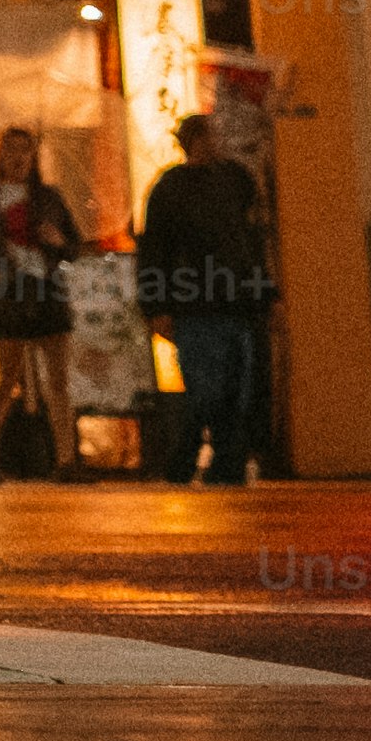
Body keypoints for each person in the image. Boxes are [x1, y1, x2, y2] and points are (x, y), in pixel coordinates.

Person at [137, 111, 275, 484]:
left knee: (232, 389)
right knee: (208, 388)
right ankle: (198, 458)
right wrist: (157, 305)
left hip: (229, 301)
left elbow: (252, 238)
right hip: (197, 304)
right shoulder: (173, 188)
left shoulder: (233, 179)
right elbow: (156, 250)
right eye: (211, 136)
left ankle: (217, 462)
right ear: (195, 141)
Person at [0, 126, 88, 481]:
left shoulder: (48, 197)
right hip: (10, 293)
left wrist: (58, 241)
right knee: (8, 376)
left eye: (25, 151)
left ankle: (66, 459)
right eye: (11, 150)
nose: (18, 158)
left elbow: (73, 247)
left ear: (34, 157)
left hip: (46, 290)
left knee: (58, 380)